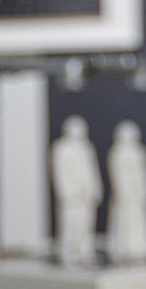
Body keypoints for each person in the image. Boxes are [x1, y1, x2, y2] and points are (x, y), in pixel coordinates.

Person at [50, 115, 103, 270]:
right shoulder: (61, 148)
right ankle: (69, 254)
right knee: (71, 224)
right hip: (72, 196)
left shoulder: (86, 148)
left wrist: (95, 188)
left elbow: (91, 170)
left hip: (85, 194)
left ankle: (84, 252)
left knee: (86, 225)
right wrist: (66, 192)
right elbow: (60, 172)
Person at [106, 121, 146, 265]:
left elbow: (144, 172)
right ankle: (124, 248)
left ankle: (138, 247)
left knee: (139, 220)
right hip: (125, 194)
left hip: (137, 192)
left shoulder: (139, 151)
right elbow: (117, 174)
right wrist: (122, 191)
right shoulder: (118, 152)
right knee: (125, 220)